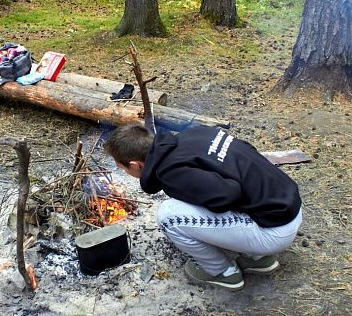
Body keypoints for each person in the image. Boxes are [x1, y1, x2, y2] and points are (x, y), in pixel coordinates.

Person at [104, 123, 302, 291]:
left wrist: (205, 201)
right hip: (288, 204)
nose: (125, 172)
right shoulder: (193, 133)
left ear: (136, 164)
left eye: (123, 168)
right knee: (216, 193)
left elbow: (228, 194)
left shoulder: (171, 172)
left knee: (169, 216)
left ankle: (223, 272)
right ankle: (257, 258)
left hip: (274, 230)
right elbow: (246, 149)